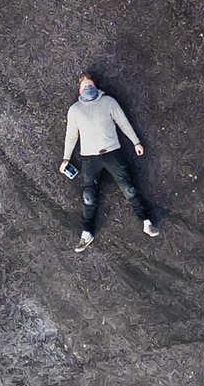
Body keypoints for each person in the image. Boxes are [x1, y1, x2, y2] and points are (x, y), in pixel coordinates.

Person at [61, 71, 159, 252]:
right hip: (90, 158)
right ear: (79, 89)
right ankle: (86, 233)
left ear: (96, 87)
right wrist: (66, 158)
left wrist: (136, 142)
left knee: (129, 189)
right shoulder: (75, 110)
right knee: (88, 197)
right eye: (84, 86)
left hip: (113, 153)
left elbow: (123, 123)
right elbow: (71, 136)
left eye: (90, 85)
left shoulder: (108, 102)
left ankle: (147, 222)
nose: (88, 88)